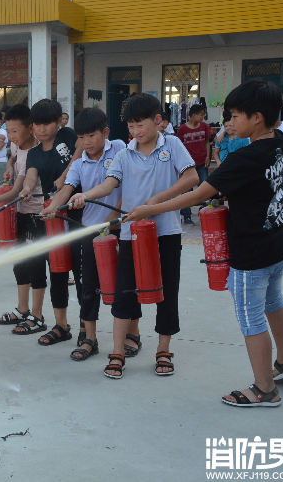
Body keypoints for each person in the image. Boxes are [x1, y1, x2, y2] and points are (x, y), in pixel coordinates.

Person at [126, 80, 283, 406]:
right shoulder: (281, 142)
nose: (229, 123)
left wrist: (150, 209)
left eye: (234, 116)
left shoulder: (243, 159)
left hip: (252, 251)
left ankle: (264, 388)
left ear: (257, 117)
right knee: (274, 301)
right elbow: (258, 188)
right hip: (279, 242)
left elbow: (196, 195)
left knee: (251, 317)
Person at [69, 93, 198, 379]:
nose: (136, 132)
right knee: (124, 292)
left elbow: (191, 179)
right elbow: (109, 185)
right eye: (131, 127)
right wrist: (85, 195)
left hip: (166, 233)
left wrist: (154, 203)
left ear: (158, 121)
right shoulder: (124, 154)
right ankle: (117, 352)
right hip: (130, 235)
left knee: (167, 292)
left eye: (141, 125)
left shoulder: (173, 145)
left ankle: (163, 350)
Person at [41, 107, 125, 361]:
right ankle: (90, 339)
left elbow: (124, 189)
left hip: (120, 229)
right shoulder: (78, 164)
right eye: (81, 137)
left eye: (92, 136)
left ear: (106, 133)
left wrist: (112, 220)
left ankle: (130, 336)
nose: (86, 142)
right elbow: (66, 190)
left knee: (123, 287)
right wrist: (53, 208)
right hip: (89, 233)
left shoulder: (120, 148)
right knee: (88, 287)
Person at [0, 104, 49, 333]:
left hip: (39, 215)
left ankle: (37, 316)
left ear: (30, 128)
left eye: (15, 131)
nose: (11, 136)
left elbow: (18, 190)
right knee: (19, 263)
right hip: (21, 214)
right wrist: (9, 167)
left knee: (36, 264)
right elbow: (14, 166)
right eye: (9, 131)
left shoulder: (39, 151)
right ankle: (22, 309)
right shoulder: (18, 150)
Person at [18, 99, 84, 346]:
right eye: (38, 124)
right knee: (57, 269)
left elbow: (80, 151)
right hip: (52, 215)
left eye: (48, 123)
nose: (42, 129)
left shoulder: (66, 136)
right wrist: (25, 189)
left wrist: (65, 175)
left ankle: (87, 328)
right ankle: (61, 325)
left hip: (76, 209)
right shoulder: (34, 153)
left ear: (59, 122)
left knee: (80, 272)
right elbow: (31, 177)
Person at [176, 103, 211, 225]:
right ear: (194, 115)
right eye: (201, 114)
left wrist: (208, 156)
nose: (203, 117)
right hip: (187, 165)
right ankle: (186, 216)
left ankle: (205, 211)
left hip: (202, 162)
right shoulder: (182, 129)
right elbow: (178, 148)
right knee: (186, 190)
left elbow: (207, 142)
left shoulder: (204, 126)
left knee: (205, 187)